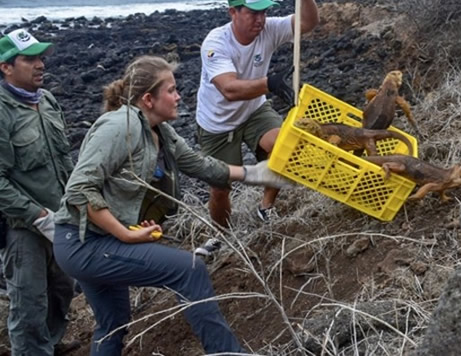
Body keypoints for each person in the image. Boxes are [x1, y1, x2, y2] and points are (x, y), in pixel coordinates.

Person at [52, 55, 290, 355]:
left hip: (95, 241)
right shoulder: (117, 127)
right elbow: (80, 189)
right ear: (149, 99)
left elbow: (199, 164)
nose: (179, 96)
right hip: (82, 243)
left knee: (113, 323)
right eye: (172, 90)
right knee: (188, 270)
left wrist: (258, 174)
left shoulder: (161, 132)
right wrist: (125, 235)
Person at [196, 0, 320, 226]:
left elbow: (308, 22)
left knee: (284, 148)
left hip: (254, 111)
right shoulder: (216, 43)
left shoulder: (269, 29)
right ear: (233, 12)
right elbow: (229, 89)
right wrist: (271, 83)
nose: (260, 19)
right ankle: (223, 234)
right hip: (217, 124)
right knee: (220, 188)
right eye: (253, 13)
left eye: (264, 12)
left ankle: (266, 207)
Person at [0, 29, 77, 356]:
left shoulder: (46, 101)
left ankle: (50, 343)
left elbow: (64, 159)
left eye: (41, 57)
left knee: (62, 289)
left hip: (61, 217)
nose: (40, 64)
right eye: (30, 59)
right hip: (23, 228)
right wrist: (37, 215)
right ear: (6, 67)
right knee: (29, 301)